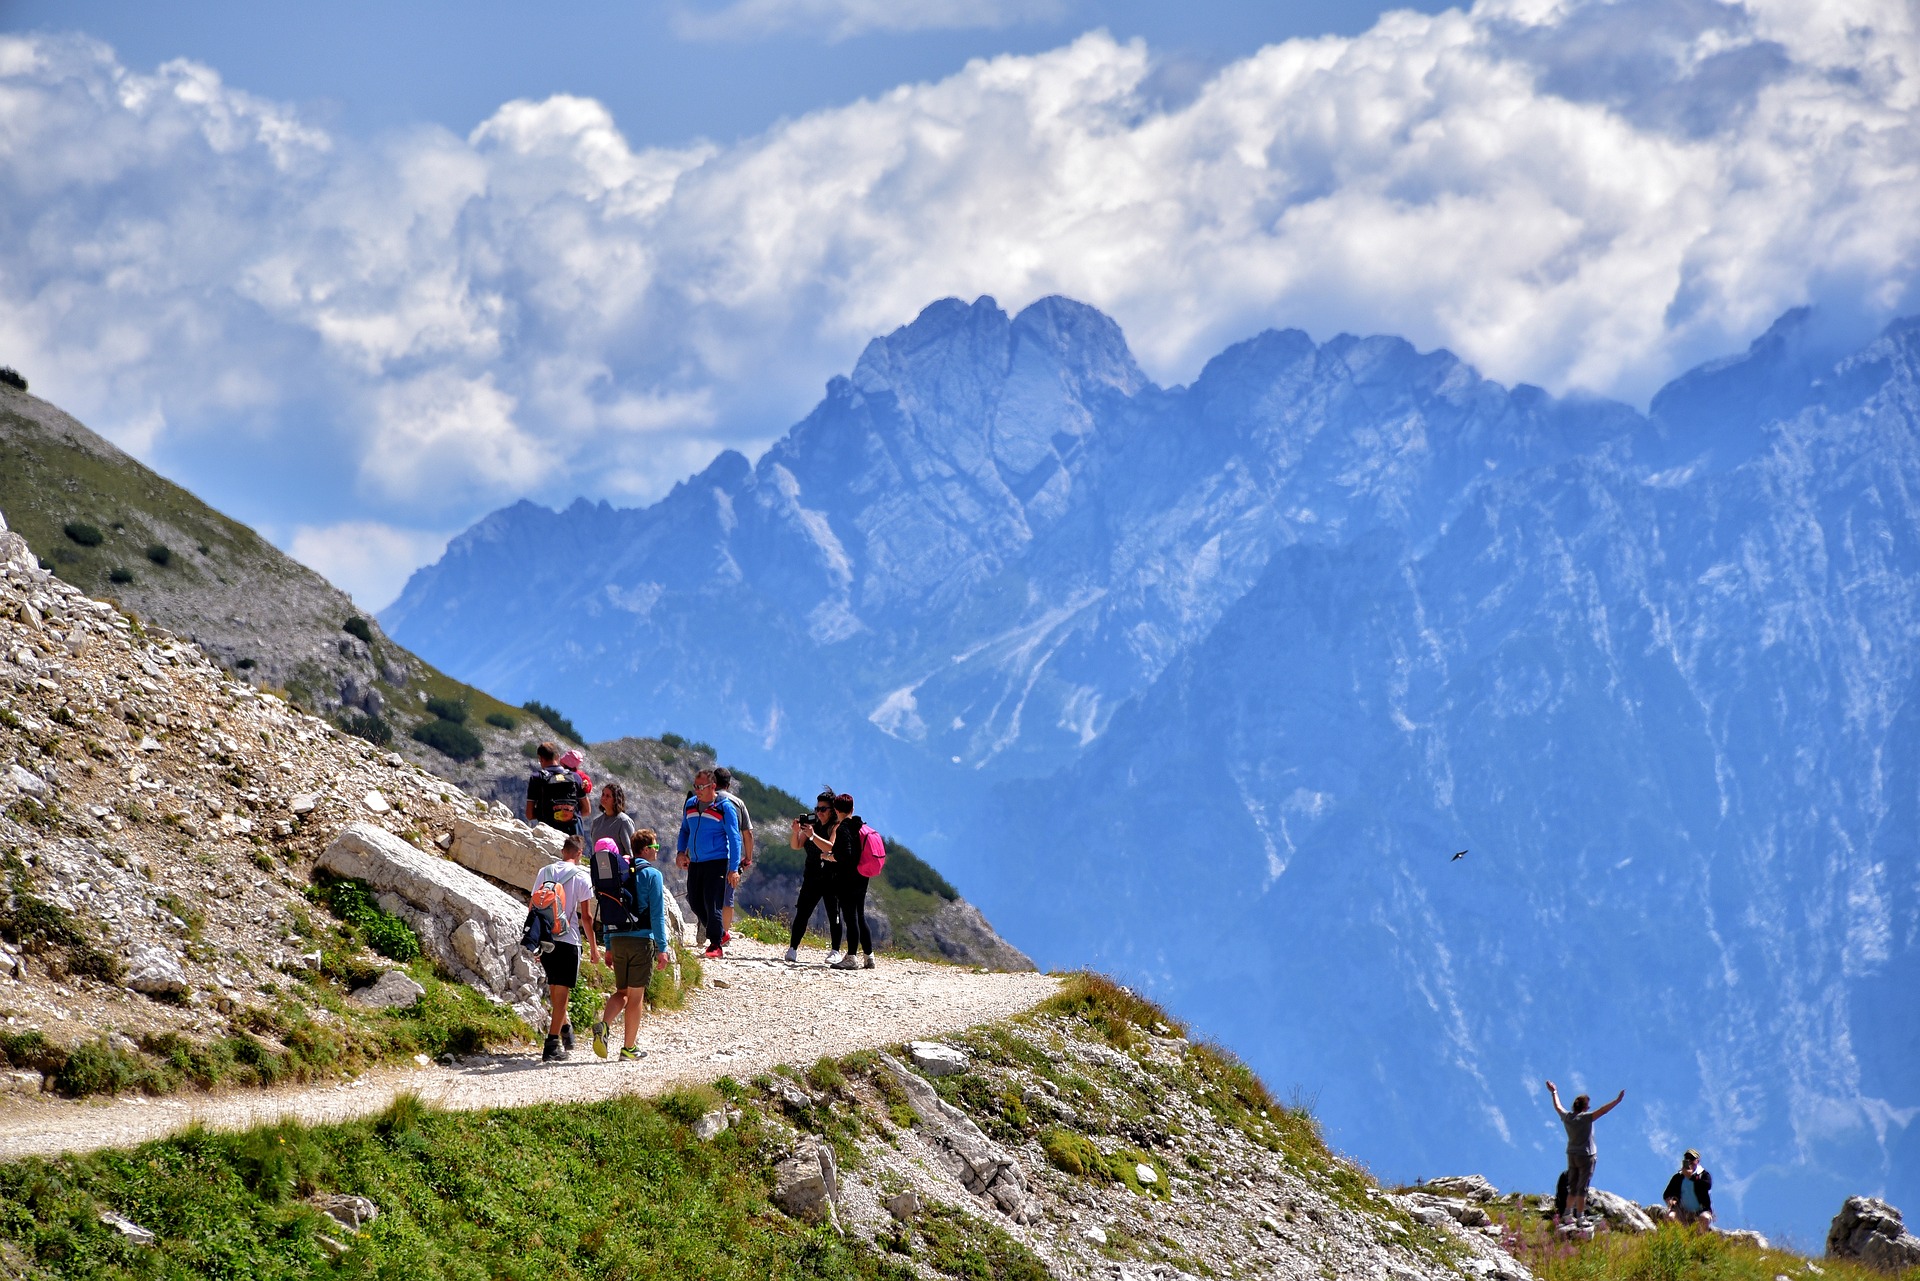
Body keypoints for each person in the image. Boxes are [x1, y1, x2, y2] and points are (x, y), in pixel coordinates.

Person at [589, 828, 669, 1062]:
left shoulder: (620, 873)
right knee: (636, 997)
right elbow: (657, 915)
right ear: (645, 849)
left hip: (619, 939)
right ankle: (628, 1048)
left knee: (621, 993)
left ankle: (603, 1026)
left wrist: (609, 945)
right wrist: (662, 948)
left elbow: (609, 909)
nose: (656, 851)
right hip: (640, 941)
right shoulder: (652, 875)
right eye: (655, 847)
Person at [532, 833, 596, 1062]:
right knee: (562, 995)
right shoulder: (581, 876)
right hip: (568, 940)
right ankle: (551, 1046)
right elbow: (586, 917)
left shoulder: (544, 872)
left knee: (555, 990)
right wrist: (595, 949)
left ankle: (565, 1028)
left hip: (547, 939)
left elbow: (535, 905)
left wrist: (537, 939)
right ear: (579, 853)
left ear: (562, 850)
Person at [676, 769, 741, 960]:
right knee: (695, 902)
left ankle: (715, 944)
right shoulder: (690, 805)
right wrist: (681, 852)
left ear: (713, 786)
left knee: (712, 903)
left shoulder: (724, 807)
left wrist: (734, 868)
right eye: (695, 786)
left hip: (717, 861)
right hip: (696, 861)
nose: (697, 790)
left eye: (700, 787)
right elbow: (684, 830)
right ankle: (720, 933)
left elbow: (734, 838)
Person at [806, 791, 874, 971]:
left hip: (848, 879)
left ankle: (851, 957)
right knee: (860, 916)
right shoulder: (860, 825)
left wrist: (829, 857)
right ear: (853, 808)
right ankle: (869, 956)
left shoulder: (843, 828)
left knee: (851, 918)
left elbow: (846, 856)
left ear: (836, 810)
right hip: (863, 876)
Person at [1546, 1081, 1625, 1224]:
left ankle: (1567, 1214)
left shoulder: (1567, 1117)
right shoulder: (1586, 1118)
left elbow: (1557, 1106)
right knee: (1582, 1188)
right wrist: (1617, 1101)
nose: (1589, 1107)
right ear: (1584, 1107)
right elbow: (1603, 1110)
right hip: (1587, 1156)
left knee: (1573, 1186)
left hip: (1572, 1154)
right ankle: (1581, 1217)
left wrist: (1554, 1092)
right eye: (1587, 1105)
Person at [785, 789, 845, 964]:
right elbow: (796, 845)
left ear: (833, 810)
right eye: (817, 808)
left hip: (832, 877)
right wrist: (797, 832)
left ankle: (835, 950)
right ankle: (793, 948)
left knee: (833, 913)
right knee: (803, 911)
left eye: (823, 809)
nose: (819, 813)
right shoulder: (814, 825)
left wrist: (813, 836)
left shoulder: (836, 827)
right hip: (812, 875)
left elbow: (829, 847)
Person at [714, 767, 755, 945]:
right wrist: (748, 858)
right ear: (729, 785)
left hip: (709, 854)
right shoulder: (738, 803)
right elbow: (747, 834)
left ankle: (705, 923)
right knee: (727, 896)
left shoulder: (706, 800)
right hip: (731, 856)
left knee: (707, 890)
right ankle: (724, 933)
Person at [525, 741, 584, 837]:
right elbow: (586, 810)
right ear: (558, 757)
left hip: (549, 834)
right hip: (573, 836)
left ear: (540, 759)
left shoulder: (536, 778)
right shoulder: (575, 777)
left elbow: (529, 814)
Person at [1662, 1150, 1714, 1228]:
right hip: (1682, 1211)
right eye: (1687, 1158)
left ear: (1697, 1161)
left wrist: (1690, 1177)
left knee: (1705, 1218)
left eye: (1692, 1159)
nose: (1689, 1161)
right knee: (1670, 1216)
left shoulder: (1703, 1174)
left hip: (1700, 1211)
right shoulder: (1678, 1177)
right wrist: (1671, 1200)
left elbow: (1707, 1185)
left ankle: (1700, 1238)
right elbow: (1667, 1193)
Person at [588, 780, 636, 862]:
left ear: (615, 800)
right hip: (599, 868)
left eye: (608, 796)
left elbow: (630, 851)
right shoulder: (596, 822)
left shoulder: (624, 821)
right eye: (603, 794)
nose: (604, 798)